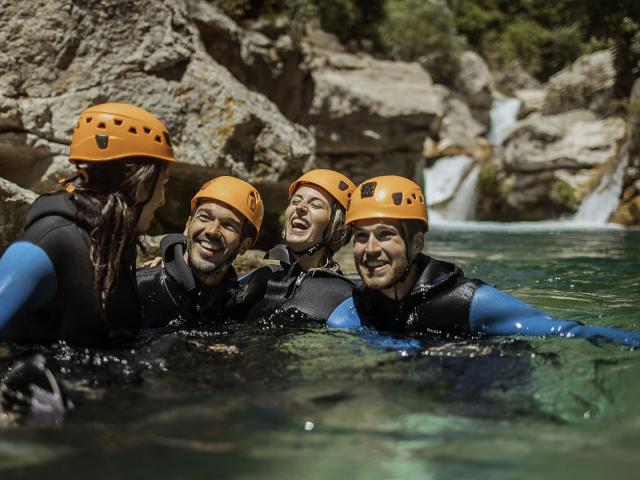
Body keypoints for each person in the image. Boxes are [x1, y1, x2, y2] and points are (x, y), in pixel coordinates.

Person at [327, 175, 640, 348]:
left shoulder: (467, 302)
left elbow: (569, 331)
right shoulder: (350, 314)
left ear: (416, 243)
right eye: (361, 237)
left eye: (384, 235)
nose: (369, 249)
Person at [0, 103, 175, 345]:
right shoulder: (49, 243)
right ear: (140, 183)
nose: (163, 199)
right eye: (162, 183)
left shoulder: (114, 242)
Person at [136, 176, 264, 328]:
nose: (212, 231)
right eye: (204, 217)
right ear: (188, 224)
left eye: (228, 225)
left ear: (244, 245)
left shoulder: (234, 303)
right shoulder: (142, 288)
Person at [240, 169, 357, 324]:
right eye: (295, 201)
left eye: (316, 205)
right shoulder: (261, 277)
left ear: (337, 229)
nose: (300, 207)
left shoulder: (345, 296)